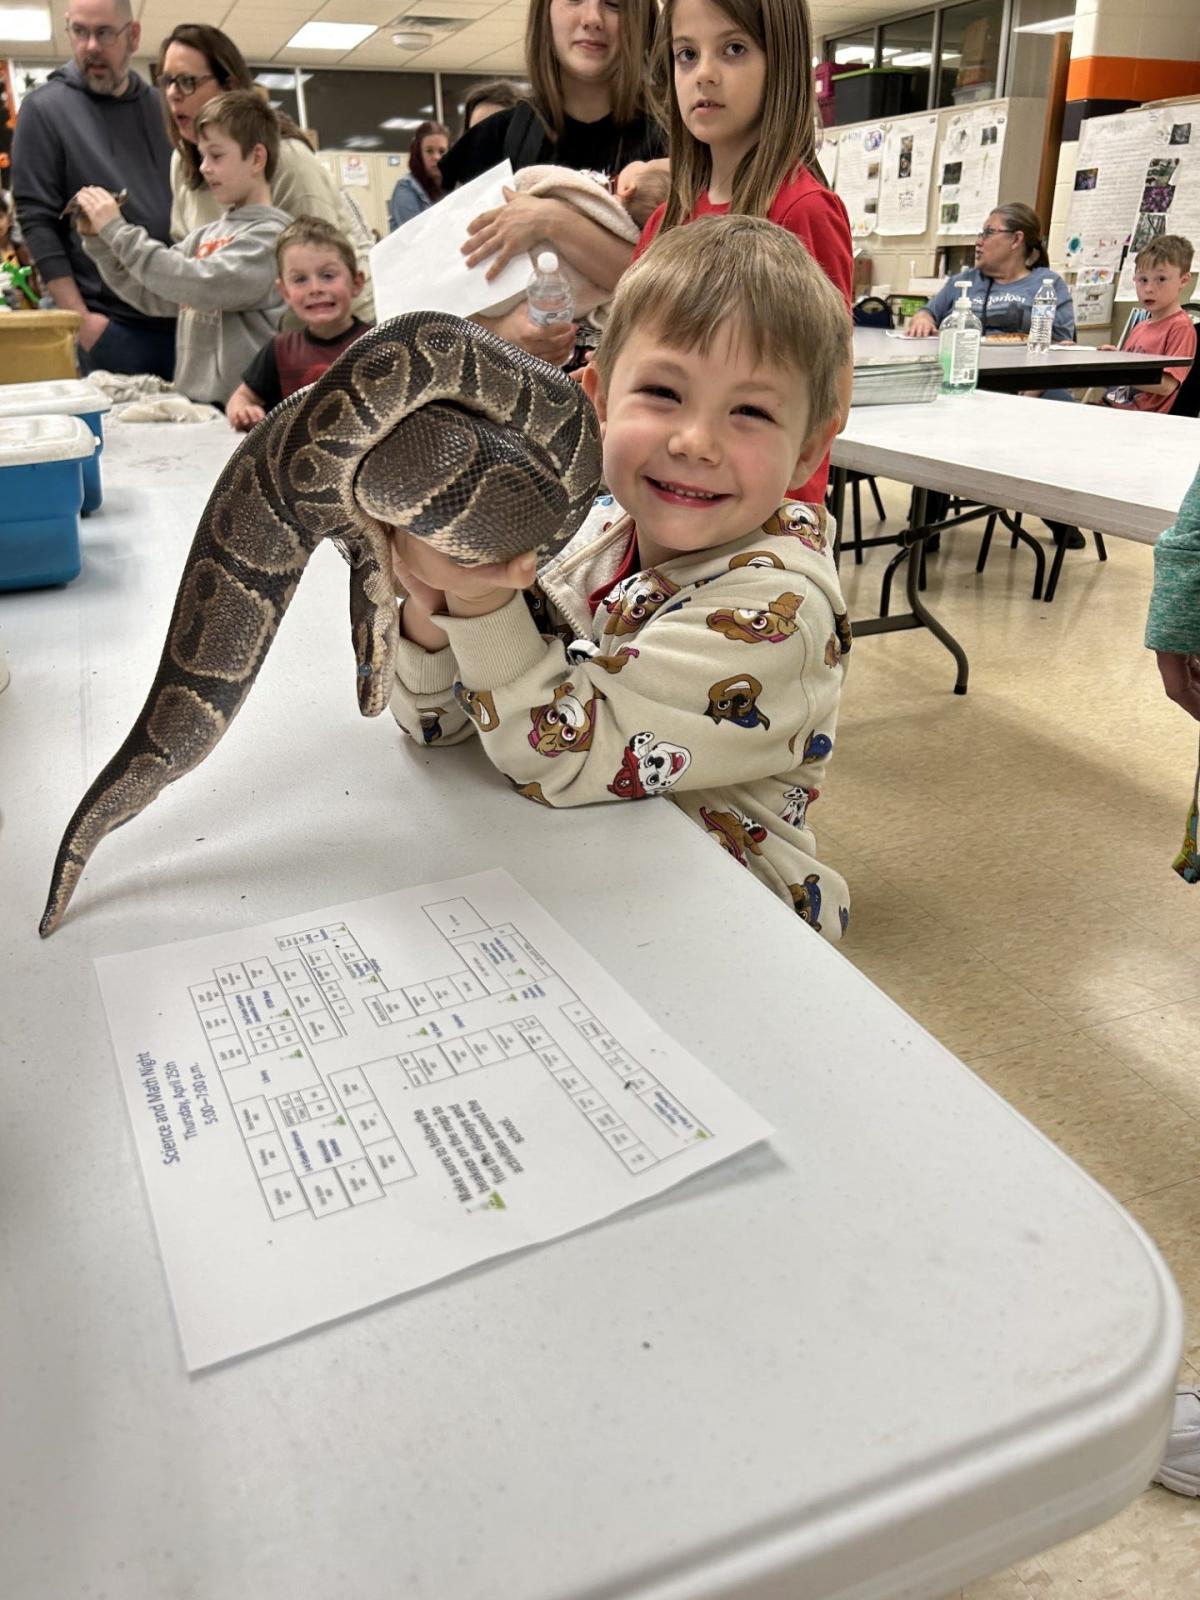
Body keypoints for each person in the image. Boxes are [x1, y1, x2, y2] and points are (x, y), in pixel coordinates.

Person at [387, 215, 854, 938]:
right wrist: (432, 603)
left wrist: (479, 603)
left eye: (751, 411)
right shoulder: (592, 531)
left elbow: (559, 759)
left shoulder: (779, 612)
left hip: (729, 933)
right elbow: (438, 726)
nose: (695, 441)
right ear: (597, 397)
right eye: (663, 393)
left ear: (808, 452)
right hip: (592, 880)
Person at [630, 0, 853, 506]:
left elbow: (831, 395)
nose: (704, 74)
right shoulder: (665, 222)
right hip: (669, 498)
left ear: (782, 65)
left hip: (760, 520)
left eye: (733, 49)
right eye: (686, 54)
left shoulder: (804, 209)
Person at [440, 0, 666, 368]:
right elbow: (438, 298)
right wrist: (501, 330)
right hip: (506, 405)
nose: (592, 19)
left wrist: (552, 221)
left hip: (638, 400)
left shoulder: (677, 145)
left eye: (614, 4)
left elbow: (679, 290)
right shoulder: (492, 142)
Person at [71, 91, 289, 406]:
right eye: (202, 156)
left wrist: (116, 229)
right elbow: (151, 292)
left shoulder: (274, 239)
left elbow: (199, 283)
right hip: (197, 407)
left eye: (216, 155)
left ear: (256, 158)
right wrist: (99, 242)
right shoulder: (202, 238)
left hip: (244, 415)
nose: (204, 168)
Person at [157, 24, 374, 322]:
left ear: (230, 86)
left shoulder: (288, 159)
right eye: (167, 81)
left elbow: (323, 275)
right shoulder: (182, 164)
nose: (173, 94)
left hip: (335, 329)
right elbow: (187, 268)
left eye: (187, 82)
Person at [11, 0, 176, 379]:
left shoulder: (162, 108)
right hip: (112, 329)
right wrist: (82, 322)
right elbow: (38, 222)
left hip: (185, 318)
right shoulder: (44, 110)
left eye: (104, 33)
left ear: (132, 36)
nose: (90, 47)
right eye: (79, 32)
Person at [226, 216, 369, 431]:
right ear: (284, 292)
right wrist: (243, 410)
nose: (315, 288)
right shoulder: (280, 349)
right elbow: (241, 398)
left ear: (357, 283)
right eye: (300, 279)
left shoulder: (377, 342)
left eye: (328, 275)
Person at [906, 203, 1074, 343]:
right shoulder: (963, 281)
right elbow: (927, 313)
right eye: (981, 234)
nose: (978, 242)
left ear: (1016, 239)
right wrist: (922, 320)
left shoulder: (1047, 284)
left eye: (989, 233)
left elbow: (1061, 344)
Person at [1097, 235, 1196, 415]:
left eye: (1161, 279)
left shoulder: (1180, 327)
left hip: (1139, 419)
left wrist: (1117, 371)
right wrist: (1111, 361)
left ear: (1183, 280)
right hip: (1113, 407)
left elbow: (1166, 386)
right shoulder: (1141, 326)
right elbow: (1123, 380)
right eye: (1143, 280)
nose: (1148, 289)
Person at [387, 121, 449, 232]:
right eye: (429, 151)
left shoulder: (451, 185)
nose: (437, 157)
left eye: (442, 151)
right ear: (419, 154)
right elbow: (415, 238)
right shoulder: (406, 187)